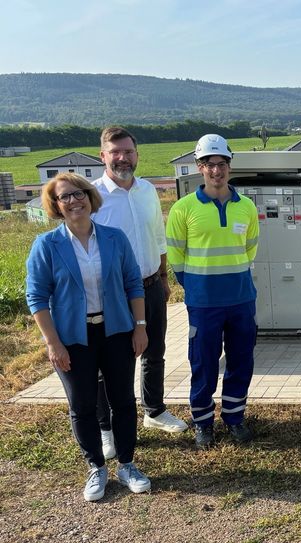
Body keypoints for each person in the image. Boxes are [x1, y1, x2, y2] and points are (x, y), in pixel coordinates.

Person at [26, 173, 151, 502]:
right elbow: (36, 297)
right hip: (72, 337)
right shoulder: (46, 245)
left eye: (79, 193)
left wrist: (140, 326)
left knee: (123, 401)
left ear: (90, 196)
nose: (73, 201)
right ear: (56, 205)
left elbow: (133, 283)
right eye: (64, 196)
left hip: (116, 331)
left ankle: (127, 464)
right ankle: (97, 466)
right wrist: (53, 343)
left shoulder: (114, 238)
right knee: (82, 405)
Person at [93, 126, 187, 461]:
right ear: (103, 156)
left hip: (150, 285)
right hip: (113, 294)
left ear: (137, 154)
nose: (122, 158)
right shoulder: (92, 196)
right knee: (111, 363)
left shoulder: (147, 190)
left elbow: (157, 235)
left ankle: (154, 410)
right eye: (115, 152)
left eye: (128, 152)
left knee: (155, 351)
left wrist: (163, 276)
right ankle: (107, 428)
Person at [165, 134, 259, 449]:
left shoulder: (246, 207)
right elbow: (176, 256)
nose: (216, 170)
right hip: (204, 303)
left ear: (229, 166)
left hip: (241, 298)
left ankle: (234, 418)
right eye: (209, 164)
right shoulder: (183, 209)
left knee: (241, 360)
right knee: (203, 363)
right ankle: (203, 423)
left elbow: (250, 248)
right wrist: (195, 286)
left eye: (221, 164)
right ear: (199, 167)